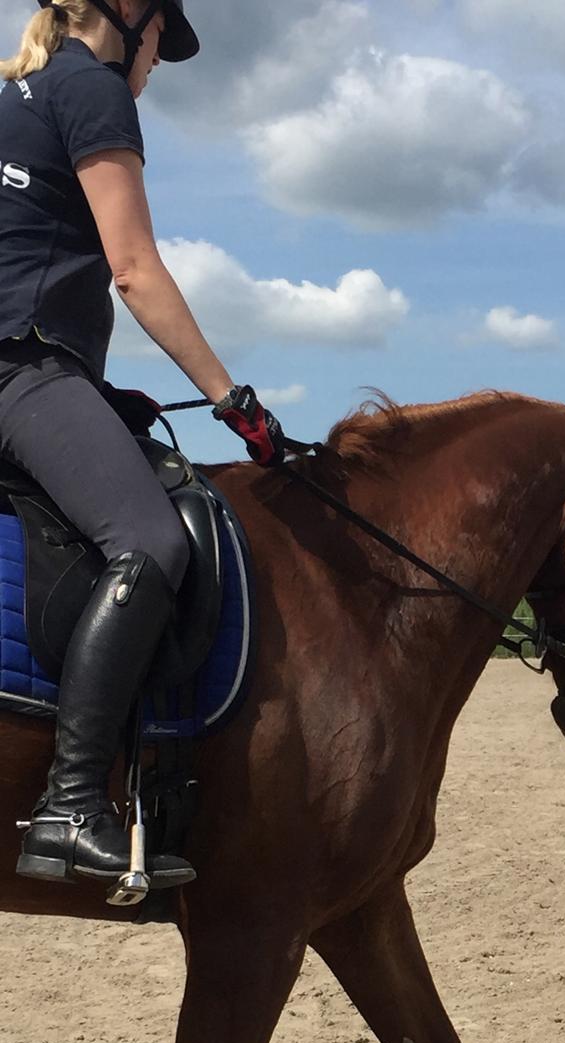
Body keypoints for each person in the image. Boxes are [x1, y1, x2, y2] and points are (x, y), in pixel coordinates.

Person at [0, 0, 286, 890]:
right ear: (130, 16)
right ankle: (70, 804)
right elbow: (133, 269)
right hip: (22, 369)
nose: (159, 62)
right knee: (152, 540)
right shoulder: (90, 90)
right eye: (163, 38)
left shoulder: (16, 95)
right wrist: (231, 400)